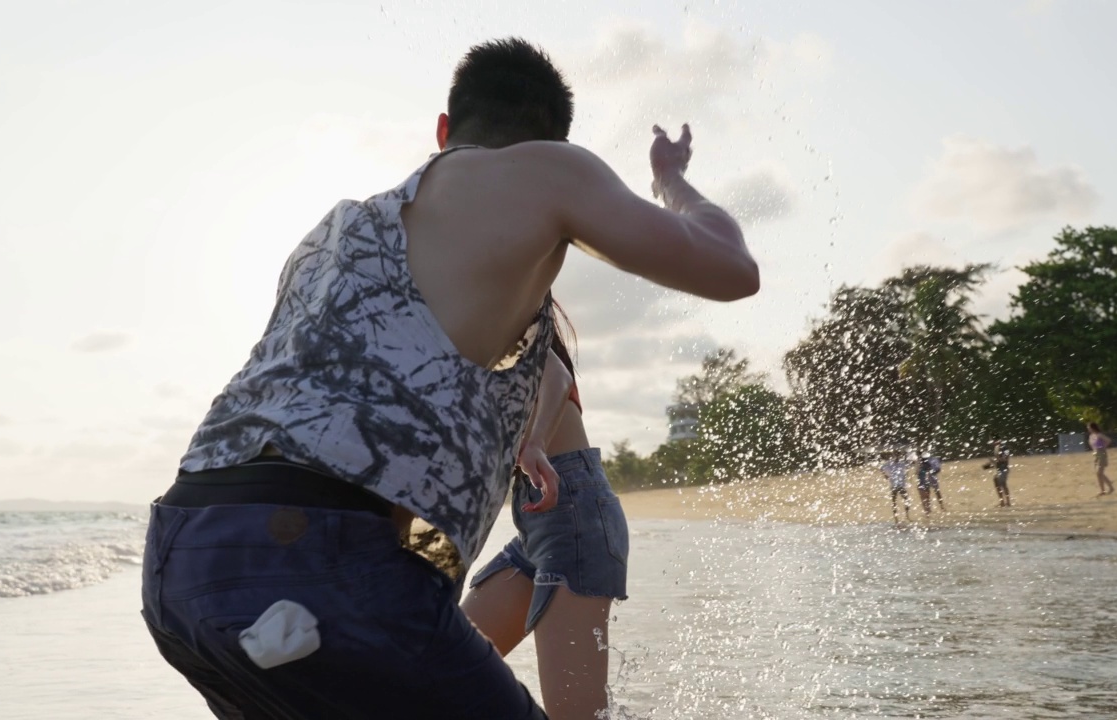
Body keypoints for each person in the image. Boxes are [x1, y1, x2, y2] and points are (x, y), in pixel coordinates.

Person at [140, 37, 760, 719]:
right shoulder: (547, 173)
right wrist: (669, 179)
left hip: (183, 561)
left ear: (443, 130)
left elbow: (343, 429)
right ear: (547, 143)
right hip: (321, 553)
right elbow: (732, 269)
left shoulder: (331, 234)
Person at [462, 309, 626, 720]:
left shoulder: (493, 311)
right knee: (433, 672)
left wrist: (533, 442)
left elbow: (556, 376)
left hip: (575, 515)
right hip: (536, 523)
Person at [880, 453, 911, 523]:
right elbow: (881, 468)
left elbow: (908, 468)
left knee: (906, 500)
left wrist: (906, 475)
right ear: (893, 456)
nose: (897, 457)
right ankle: (896, 518)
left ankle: (907, 515)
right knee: (894, 502)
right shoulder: (890, 463)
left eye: (898, 456)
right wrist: (885, 475)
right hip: (894, 485)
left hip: (901, 485)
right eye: (895, 456)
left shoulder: (901, 463)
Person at [1087, 422, 1116, 496]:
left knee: (1099, 472)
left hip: (1102, 453)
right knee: (1098, 473)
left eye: (1089, 427)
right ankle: (1103, 490)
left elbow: (1108, 440)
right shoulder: (1091, 436)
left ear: (1093, 428)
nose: (1088, 429)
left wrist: (1103, 447)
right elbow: (1092, 446)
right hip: (1096, 454)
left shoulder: (1099, 435)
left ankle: (1110, 488)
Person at [983, 439, 1012, 507]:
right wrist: (991, 464)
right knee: (999, 483)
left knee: (1002, 484)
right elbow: (1000, 461)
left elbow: (1004, 459)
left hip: (1003, 469)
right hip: (1001, 469)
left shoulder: (1004, 448)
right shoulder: (997, 448)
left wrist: (994, 461)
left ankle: (1005, 502)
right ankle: (1004, 502)